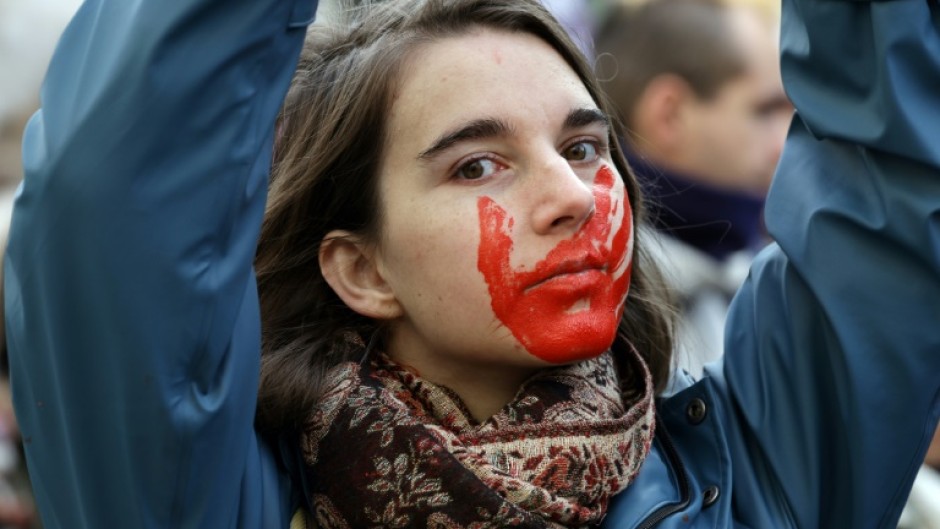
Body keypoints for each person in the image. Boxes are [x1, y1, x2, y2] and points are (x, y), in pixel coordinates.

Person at [4, 0, 939, 528]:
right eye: (476, 164)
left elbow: (890, 186)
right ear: (360, 267)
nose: (573, 195)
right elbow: (109, 200)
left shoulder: (762, 479)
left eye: (582, 146)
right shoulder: (211, 503)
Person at [594, 0, 792, 375]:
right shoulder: (601, 308)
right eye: (765, 111)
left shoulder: (768, 273)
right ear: (669, 115)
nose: (786, 142)